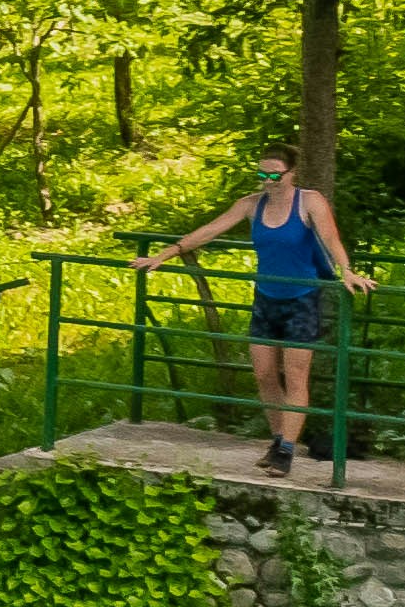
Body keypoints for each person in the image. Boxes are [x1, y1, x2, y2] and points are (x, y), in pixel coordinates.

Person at [140, 151, 377, 476]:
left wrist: (347, 271)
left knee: (295, 376)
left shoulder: (309, 202)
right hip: (266, 299)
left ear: (291, 173)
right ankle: (278, 439)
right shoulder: (251, 204)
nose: (268, 182)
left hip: (303, 300)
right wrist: (165, 254)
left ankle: (287, 452)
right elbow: (211, 229)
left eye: (274, 175)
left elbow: (330, 238)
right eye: (262, 175)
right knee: (264, 374)